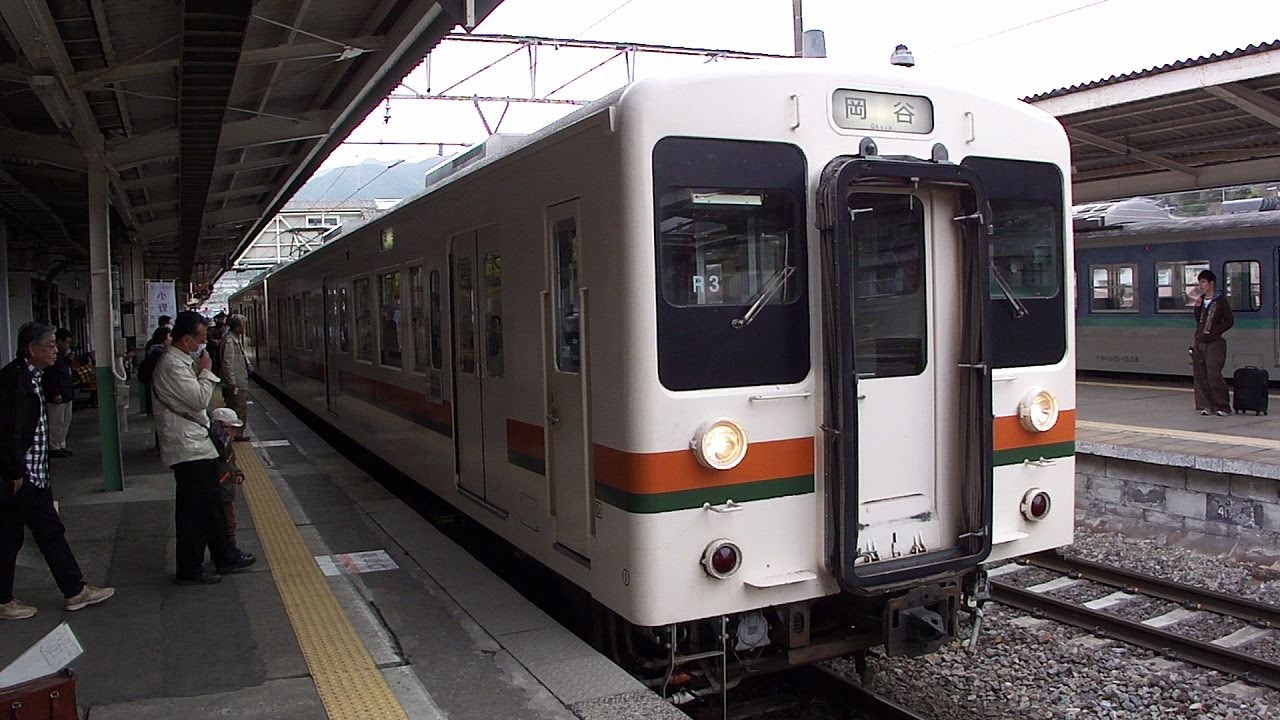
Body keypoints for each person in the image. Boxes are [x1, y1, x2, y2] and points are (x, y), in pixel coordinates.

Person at [0, 322, 115, 620]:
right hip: (22, 476)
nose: (56, 351)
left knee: (18, 535)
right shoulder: (15, 381)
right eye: (50, 346)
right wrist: (15, 472)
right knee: (43, 533)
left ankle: (62, 591)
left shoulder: (34, 377)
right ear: (32, 349)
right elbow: (9, 432)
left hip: (33, 474)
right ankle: (73, 590)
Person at [152, 311, 255, 585]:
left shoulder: (179, 361)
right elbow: (199, 399)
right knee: (194, 512)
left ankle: (225, 555)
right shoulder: (172, 366)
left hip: (195, 445)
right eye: (201, 338)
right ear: (186, 339)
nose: (204, 344)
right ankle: (190, 568)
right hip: (187, 448)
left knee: (211, 506)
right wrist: (207, 371)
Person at [1192, 269, 1235, 416]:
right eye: (1200, 282)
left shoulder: (1220, 301)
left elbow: (1229, 321)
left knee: (1213, 373)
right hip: (1199, 340)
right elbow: (1198, 320)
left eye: (1203, 282)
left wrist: (1215, 332)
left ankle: (1222, 405)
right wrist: (1197, 308)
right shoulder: (1201, 300)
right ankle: (1206, 405)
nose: (1201, 285)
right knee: (1201, 375)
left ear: (1211, 283)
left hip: (1214, 343)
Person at [209, 408, 249, 555]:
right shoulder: (216, 446)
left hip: (225, 489)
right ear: (222, 427)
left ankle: (228, 550)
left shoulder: (225, 444)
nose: (235, 432)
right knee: (227, 522)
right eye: (232, 428)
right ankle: (229, 552)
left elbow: (231, 463)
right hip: (221, 490)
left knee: (227, 521)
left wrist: (237, 473)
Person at [43, 329, 76, 459]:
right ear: (59, 341)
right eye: (66, 342)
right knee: (56, 421)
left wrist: (68, 361)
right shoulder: (52, 356)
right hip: (57, 394)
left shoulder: (61, 357)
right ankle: (54, 446)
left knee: (65, 421)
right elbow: (50, 376)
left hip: (66, 393)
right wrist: (55, 392)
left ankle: (61, 444)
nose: (67, 346)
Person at [220, 315, 251, 441]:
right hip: (236, 382)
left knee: (236, 406)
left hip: (239, 379)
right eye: (243, 325)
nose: (244, 327)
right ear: (237, 327)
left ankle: (235, 433)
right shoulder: (230, 341)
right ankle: (238, 433)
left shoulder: (234, 339)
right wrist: (232, 382)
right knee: (240, 407)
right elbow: (228, 362)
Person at [138, 326, 170, 416]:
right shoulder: (160, 354)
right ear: (164, 339)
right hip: (160, 392)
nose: (171, 339)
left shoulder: (152, 350)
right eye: (169, 336)